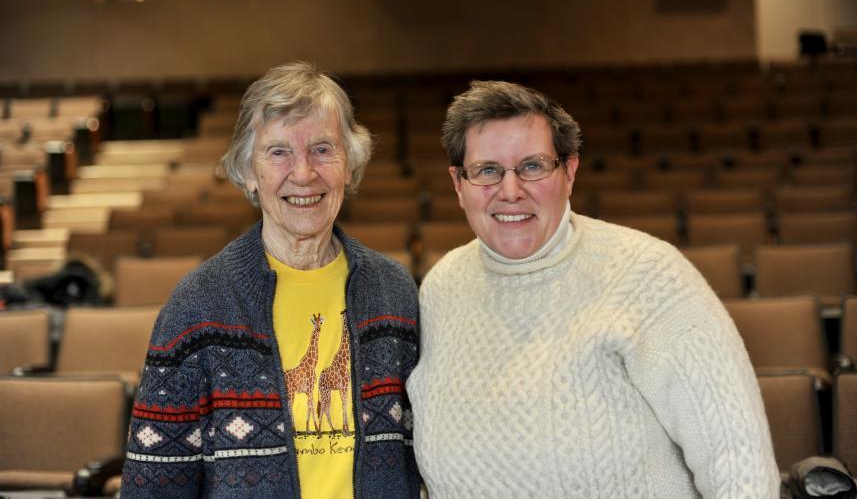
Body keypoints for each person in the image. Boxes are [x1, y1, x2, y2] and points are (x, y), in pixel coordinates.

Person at [406, 80, 779, 497]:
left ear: (569, 171)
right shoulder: (441, 287)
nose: (510, 191)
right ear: (459, 184)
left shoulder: (648, 275)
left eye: (533, 166)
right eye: (487, 171)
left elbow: (737, 459)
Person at [121, 62, 421, 498]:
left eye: (323, 149)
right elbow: (152, 486)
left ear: (349, 165)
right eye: (278, 152)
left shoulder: (394, 292)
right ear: (247, 171)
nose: (303, 174)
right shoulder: (198, 305)